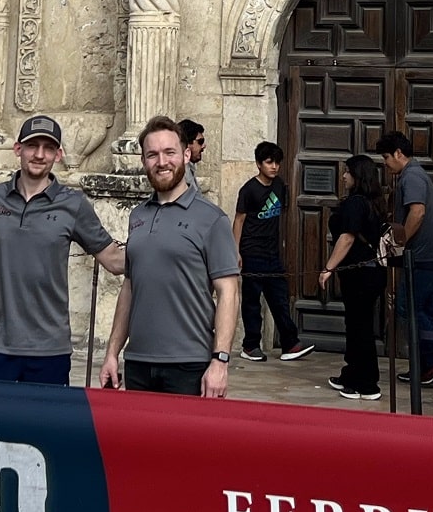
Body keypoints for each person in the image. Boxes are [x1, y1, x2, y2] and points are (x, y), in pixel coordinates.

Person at [0, 114, 126, 385]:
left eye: (48, 147)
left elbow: (114, 260)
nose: (39, 154)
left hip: (49, 350)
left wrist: (160, 251)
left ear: (58, 155)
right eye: (32, 146)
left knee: (43, 428)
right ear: (18, 149)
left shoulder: (73, 205)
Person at [99, 115, 241, 396]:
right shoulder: (137, 216)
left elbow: (229, 293)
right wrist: (112, 352)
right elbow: (129, 287)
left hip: (189, 366)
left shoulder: (212, 219)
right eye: (152, 154)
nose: (161, 162)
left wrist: (220, 361)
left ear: (186, 155)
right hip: (138, 362)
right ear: (144, 161)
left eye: (169, 152)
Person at [375, 131, 433, 386]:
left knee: (407, 307)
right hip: (429, 258)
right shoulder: (413, 175)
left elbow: (417, 213)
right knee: (424, 310)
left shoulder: (412, 177)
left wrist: (400, 241)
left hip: (423, 258)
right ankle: (425, 366)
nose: (385, 163)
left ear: (399, 154)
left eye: (387, 157)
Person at [232, 142, 312, 362]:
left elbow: (282, 216)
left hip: (272, 254)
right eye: (269, 162)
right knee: (252, 302)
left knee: (279, 299)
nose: (274, 166)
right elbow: (239, 220)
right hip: (251, 252)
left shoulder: (280, 186)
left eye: (277, 162)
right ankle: (250, 346)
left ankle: (290, 344)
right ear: (259, 164)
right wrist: (236, 251)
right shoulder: (248, 190)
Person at [318, 154, 386, 400]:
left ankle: (367, 384)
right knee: (356, 325)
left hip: (361, 273)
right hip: (368, 272)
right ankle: (352, 373)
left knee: (360, 328)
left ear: (357, 176)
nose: (343, 175)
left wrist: (328, 268)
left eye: (347, 171)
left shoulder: (356, 203)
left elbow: (346, 238)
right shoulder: (373, 202)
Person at [179, 118, 208, 195]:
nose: (203, 146)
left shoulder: (188, 168)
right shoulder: (179, 171)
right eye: (200, 142)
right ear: (187, 144)